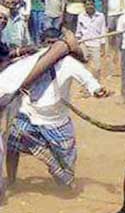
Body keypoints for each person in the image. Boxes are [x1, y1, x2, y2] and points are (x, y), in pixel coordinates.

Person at [5, 28, 109, 193]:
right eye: (48, 44)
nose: (52, 49)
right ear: (43, 44)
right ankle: (11, 181)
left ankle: (58, 171)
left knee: (65, 175)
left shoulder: (68, 63)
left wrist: (97, 89)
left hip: (56, 121)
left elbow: (87, 79)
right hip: (29, 113)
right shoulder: (31, 60)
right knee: (12, 142)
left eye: (55, 44)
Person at [75, 0, 107, 79]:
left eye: (91, 4)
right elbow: (78, 31)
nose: (89, 6)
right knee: (84, 66)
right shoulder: (81, 16)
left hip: (96, 43)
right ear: (84, 6)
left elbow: (103, 31)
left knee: (97, 67)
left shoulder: (100, 16)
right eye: (87, 5)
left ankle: (96, 84)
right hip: (84, 43)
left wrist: (103, 46)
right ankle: (86, 87)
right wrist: (78, 44)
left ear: (94, 6)